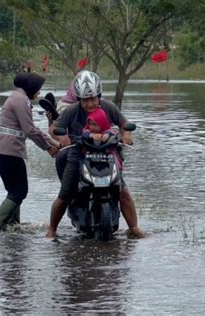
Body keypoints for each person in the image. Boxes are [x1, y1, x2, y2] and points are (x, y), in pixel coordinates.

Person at [45, 70, 145, 238]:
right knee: (66, 192)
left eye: (93, 99)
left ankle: (133, 227)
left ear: (99, 95)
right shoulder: (71, 110)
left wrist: (126, 137)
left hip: (107, 151)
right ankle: (52, 229)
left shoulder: (108, 107)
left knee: (122, 190)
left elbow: (124, 123)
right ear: (79, 99)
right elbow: (55, 128)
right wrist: (63, 138)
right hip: (78, 153)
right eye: (85, 100)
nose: (90, 104)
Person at [0, 72, 59, 234]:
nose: (39, 93)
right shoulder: (22, 100)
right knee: (19, 191)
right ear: (31, 88)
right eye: (38, 89)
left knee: (14, 191)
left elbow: (29, 129)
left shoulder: (16, 97)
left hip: (3, 151)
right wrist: (48, 147)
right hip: (9, 152)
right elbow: (29, 130)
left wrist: (52, 142)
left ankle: (13, 227)